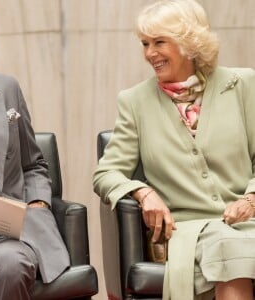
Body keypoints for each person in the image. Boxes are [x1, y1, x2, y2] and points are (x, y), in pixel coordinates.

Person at [93, 0, 255, 299]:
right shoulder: (135, 101)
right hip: (193, 230)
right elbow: (106, 172)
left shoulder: (242, 84)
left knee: (238, 246)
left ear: (189, 42)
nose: (149, 53)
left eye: (159, 42)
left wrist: (251, 199)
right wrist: (142, 191)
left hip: (249, 220)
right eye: (144, 44)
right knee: (230, 248)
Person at [0, 0, 70, 299]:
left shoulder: (5, 88)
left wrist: (38, 204)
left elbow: (33, 164)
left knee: (11, 264)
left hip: (0, 236)